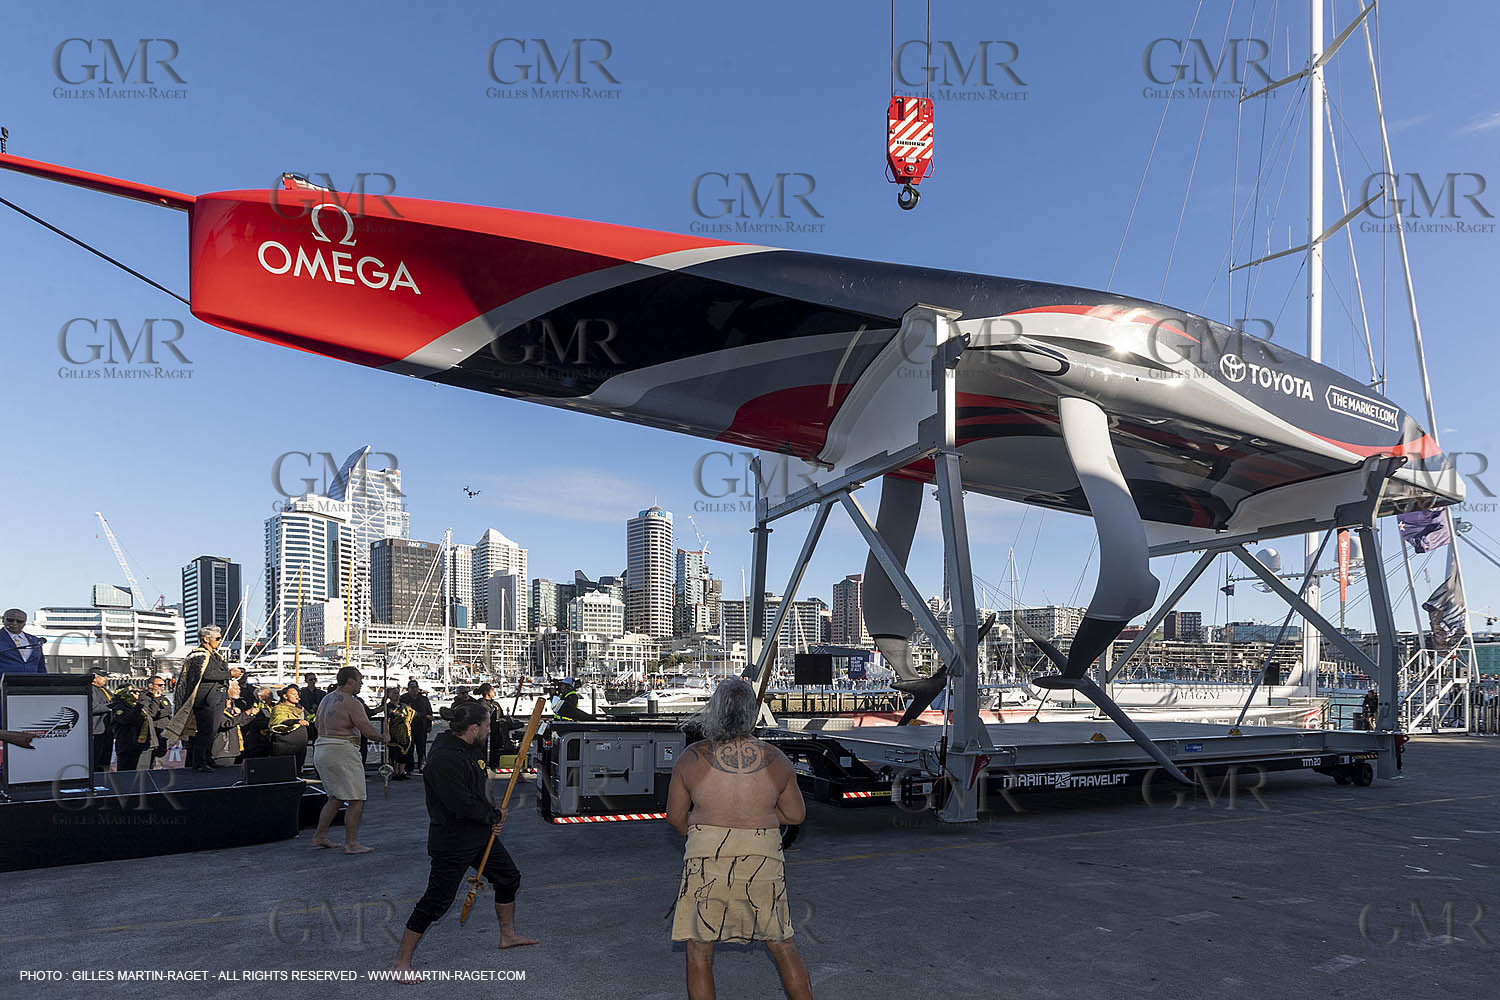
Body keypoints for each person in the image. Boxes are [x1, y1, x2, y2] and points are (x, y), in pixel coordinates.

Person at [666, 677, 812, 1000]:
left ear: (715, 712)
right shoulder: (776, 760)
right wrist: (757, 820)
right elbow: (796, 815)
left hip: (706, 862)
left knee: (700, 953)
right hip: (762, 860)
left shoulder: (691, 758)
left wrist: (708, 831)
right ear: (752, 714)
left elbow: (676, 817)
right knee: (783, 945)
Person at [391, 700, 536, 981]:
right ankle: (401, 963)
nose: (490, 731)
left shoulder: (472, 748)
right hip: (453, 837)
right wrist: (492, 815)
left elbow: (480, 786)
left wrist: (494, 812)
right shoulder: (445, 758)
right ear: (473, 727)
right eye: (487, 726)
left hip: (479, 834)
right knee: (437, 901)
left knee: (508, 877)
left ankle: (507, 935)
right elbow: (460, 803)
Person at [311, 666, 389, 854]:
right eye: (360, 680)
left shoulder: (326, 699)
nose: (362, 683)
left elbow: (316, 723)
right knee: (356, 798)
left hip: (321, 748)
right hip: (341, 750)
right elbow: (367, 729)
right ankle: (351, 843)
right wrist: (383, 737)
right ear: (351, 681)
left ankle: (319, 836)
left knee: (336, 797)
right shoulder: (352, 703)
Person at [168, 626, 232, 772]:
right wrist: (229, 674)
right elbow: (205, 674)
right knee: (204, 731)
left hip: (216, 698)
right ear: (206, 639)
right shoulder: (198, 655)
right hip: (204, 699)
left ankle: (207, 758)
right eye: (217, 638)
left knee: (211, 732)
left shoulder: (215, 655)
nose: (220, 641)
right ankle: (199, 762)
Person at [213, 681, 265, 766]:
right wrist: (246, 713)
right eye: (236, 688)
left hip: (234, 749)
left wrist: (251, 715)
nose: (239, 691)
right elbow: (226, 724)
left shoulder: (233, 706)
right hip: (223, 751)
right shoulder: (217, 708)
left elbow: (239, 724)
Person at [108, 683, 155, 772]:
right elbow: (127, 720)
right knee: (126, 772)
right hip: (127, 745)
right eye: (133, 692)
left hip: (139, 744)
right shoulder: (119, 706)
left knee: (142, 772)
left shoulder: (135, 705)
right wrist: (139, 706)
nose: (137, 694)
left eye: (137, 691)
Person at [269, 684, 311, 774]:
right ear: (285, 696)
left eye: (297, 694)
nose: (297, 696)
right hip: (285, 747)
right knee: (284, 772)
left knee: (297, 772)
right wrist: (296, 721)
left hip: (300, 748)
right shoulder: (279, 708)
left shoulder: (300, 709)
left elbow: (310, 719)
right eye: (293, 694)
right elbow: (279, 721)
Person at [400, 679, 434, 774]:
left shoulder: (424, 699)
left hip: (421, 727)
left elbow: (429, 712)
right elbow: (406, 712)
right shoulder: (403, 699)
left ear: (418, 688)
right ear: (408, 689)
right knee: (408, 749)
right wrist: (423, 715)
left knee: (421, 748)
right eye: (412, 688)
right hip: (408, 727)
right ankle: (409, 768)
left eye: (415, 688)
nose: (414, 690)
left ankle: (422, 766)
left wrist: (429, 725)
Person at [383, 686, 415, 781]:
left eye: (397, 693)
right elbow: (390, 714)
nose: (396, 695)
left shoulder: (404, 706)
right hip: (393, 732)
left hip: (404, 732)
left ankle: (401, 771)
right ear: (389, 695)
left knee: (404, 753)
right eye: (394, 693)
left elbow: (413, 713)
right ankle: (395, 772)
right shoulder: (388, 706)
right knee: (394, 753)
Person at [0, 609, 46, 674]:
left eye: (19, 621)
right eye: (10, 620)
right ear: (3, 620)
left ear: (24, 623)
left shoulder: (35, 641)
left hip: (32, 682)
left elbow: (41, 666)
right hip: (4, 682)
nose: (14, 623)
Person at [88, 671, 113, 772]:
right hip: (97, 730)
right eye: (103, 677)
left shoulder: (104, 690)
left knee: (105, 759)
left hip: (107, 729)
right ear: (94, 678)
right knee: (96, 759)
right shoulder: (90, 689)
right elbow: (93, 708)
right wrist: (111, 707)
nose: (105, 679)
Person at [301, 672, 326, 744]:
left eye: (315, 679)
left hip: (318, 719)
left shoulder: (322, 693)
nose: (313, 681)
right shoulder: (301, 692)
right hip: (305, 719)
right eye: (311, 679)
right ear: (306, 681)